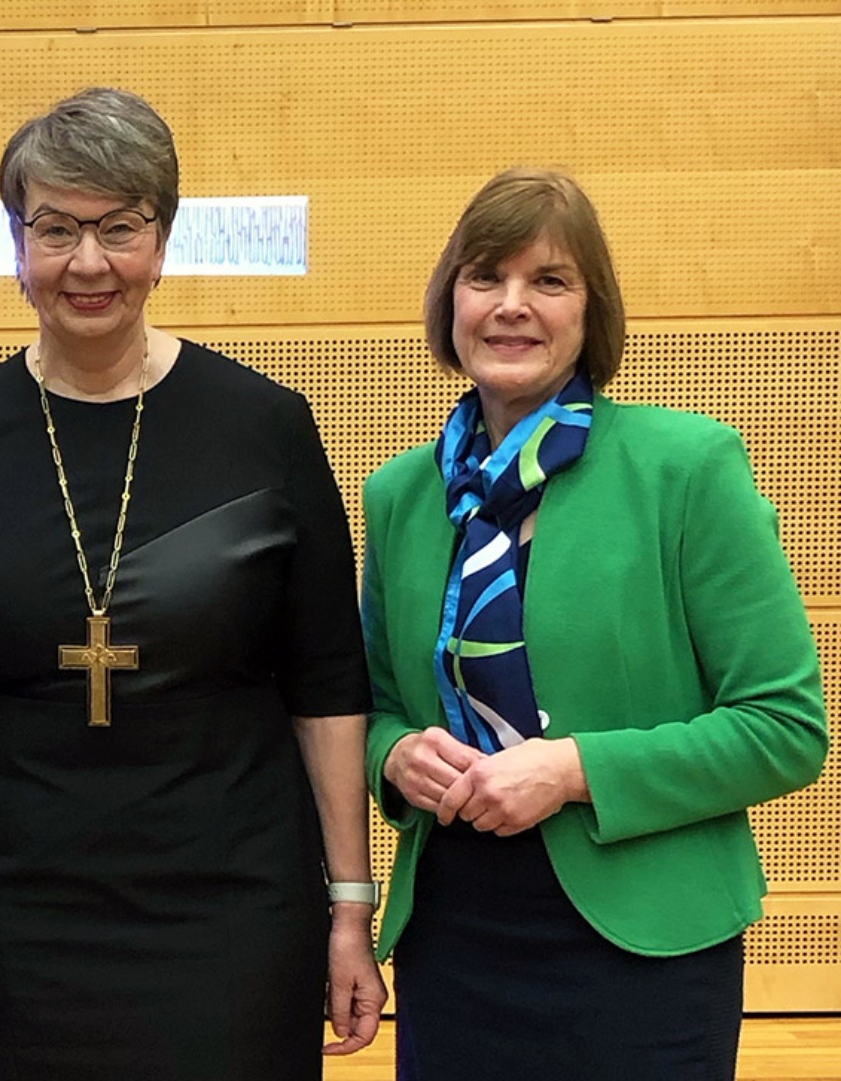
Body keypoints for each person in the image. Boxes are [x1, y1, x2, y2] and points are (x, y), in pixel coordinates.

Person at [0, 87, 386, 1080]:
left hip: (232, 905)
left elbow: (328, 687)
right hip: (8, 911)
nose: (88, 262)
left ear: (162, 241)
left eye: (120, 227)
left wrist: (349, 909)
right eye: (55, 229)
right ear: (17, 244)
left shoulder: (266, 428)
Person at [361, 167, 828, 1080]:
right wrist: (394, 754)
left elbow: (785, 727)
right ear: (451, 302)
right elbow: (373, 704)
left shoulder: (686, 468)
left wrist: (573, 770)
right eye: (485, 276)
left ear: (592, 310)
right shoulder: (400, 495)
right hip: (455, 940)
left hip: (645, 947)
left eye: (549, 279)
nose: (511, 305)